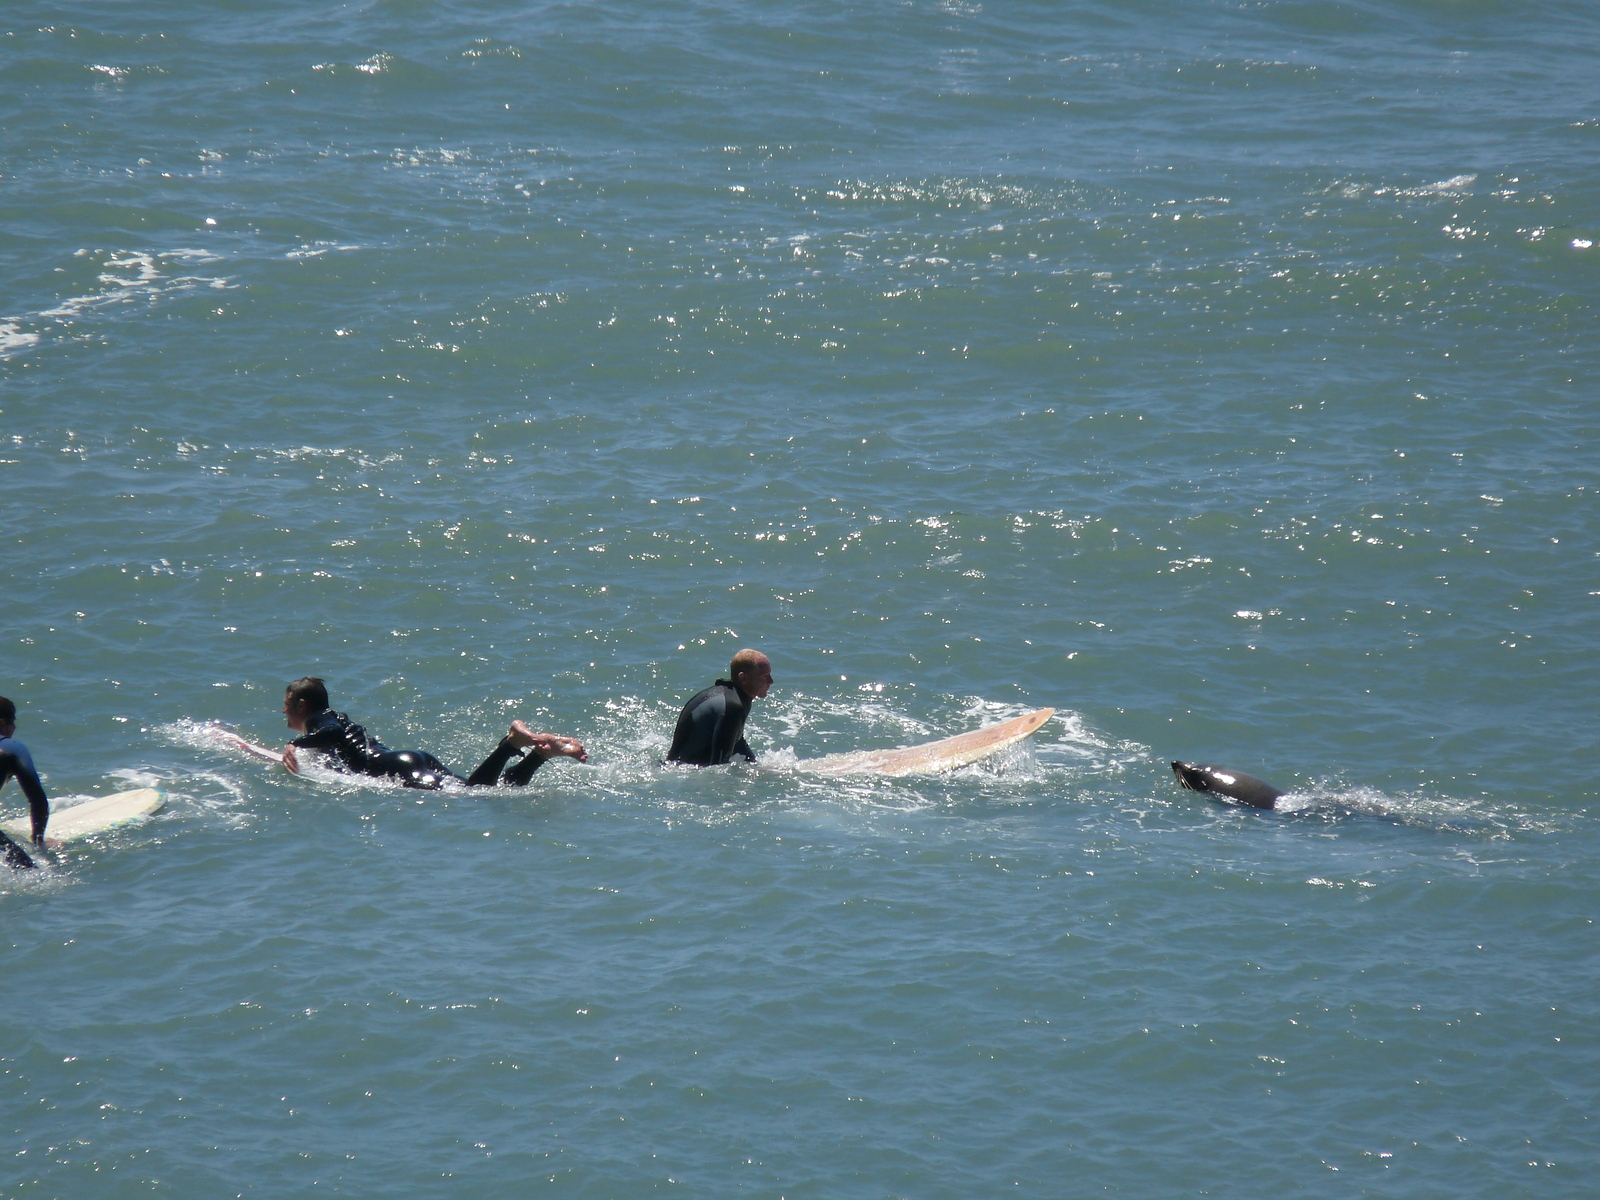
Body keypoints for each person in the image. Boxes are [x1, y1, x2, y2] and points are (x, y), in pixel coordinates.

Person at [278, 677, 586, 789]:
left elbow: (331, 734)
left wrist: (295, 744)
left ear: (302, 705)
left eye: (287, 704)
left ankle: (509, 745)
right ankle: (539, 755)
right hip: (408, 759)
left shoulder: (319, 720)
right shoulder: (335, 717)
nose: (283, 711)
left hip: (394, 767)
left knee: (472, 795)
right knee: (485, 789)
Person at [666, 649, 773, 766]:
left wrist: (755, 764)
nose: (771, 681)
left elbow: (737, 742)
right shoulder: (733, 707)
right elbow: (719, 767)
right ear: (743, 678)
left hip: (676, 765)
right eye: (764, 676)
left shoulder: (734, 697)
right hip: (682, 769)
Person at [0, 695, 49, 868]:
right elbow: (38, 801)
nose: (14, 728)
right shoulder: (11, 748)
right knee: (31, 872)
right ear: (3, 723)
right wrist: (38, 841)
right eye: (13, 723)